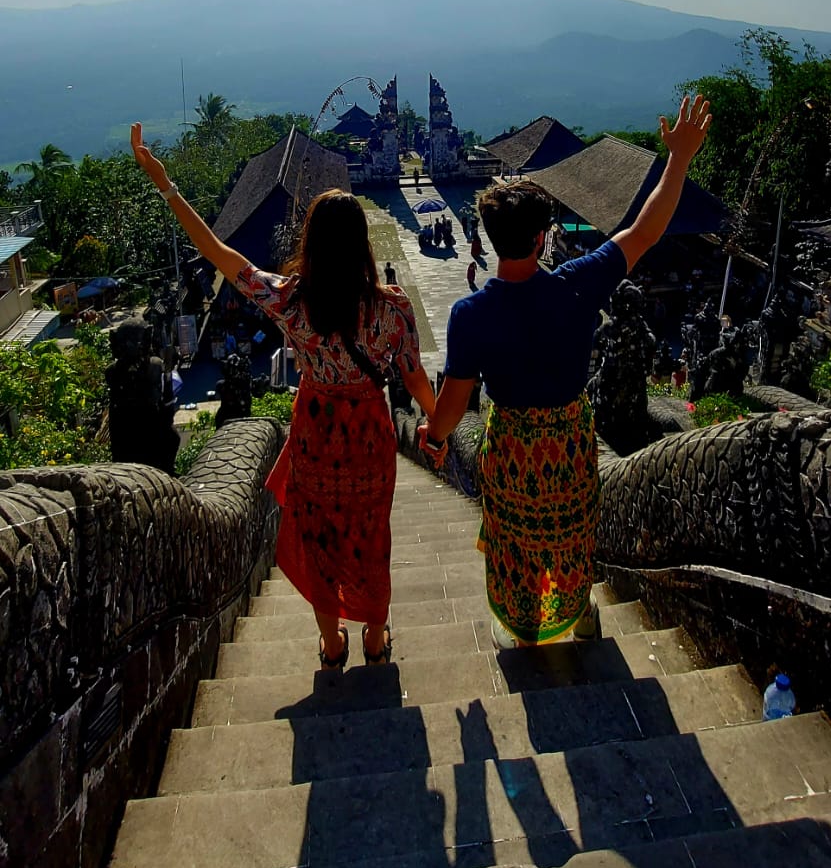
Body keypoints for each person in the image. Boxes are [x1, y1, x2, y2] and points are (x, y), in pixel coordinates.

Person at [130, 125, 435, 670]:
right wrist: (438, 425)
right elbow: (414, 379)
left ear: (311, 243)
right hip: (369, 435)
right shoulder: (392, 307)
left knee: (320, 538)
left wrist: (167, 185)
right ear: (363, 243)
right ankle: (374, 635)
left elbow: (222, 256)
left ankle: (333, 643)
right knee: (371, 535)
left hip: (316, 433)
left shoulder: (290, 300)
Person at [419, 95, 711, 649]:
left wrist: (432, 437)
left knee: (519, 538)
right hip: (571, 437)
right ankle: (578, 612)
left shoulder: (471, 314)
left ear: (489, 236)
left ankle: (527, 626)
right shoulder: (578, 282)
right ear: (539, 239)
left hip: (512, 447)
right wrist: (678, 159)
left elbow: (454, 404)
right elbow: (645, 230)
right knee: (570, 532)